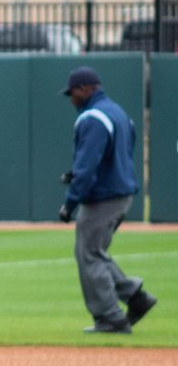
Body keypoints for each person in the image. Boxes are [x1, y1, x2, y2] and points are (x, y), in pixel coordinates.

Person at [59, 66, 157, 333]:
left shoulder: (92, 117)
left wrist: (70, 203)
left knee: (88, 254)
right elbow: (119, 153)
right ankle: (136, 297)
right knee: (93, 252)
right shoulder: (117, 112)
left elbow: (88, 166)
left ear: (85, 89)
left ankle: (111, 317)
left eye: (73, 92)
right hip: (120, 191)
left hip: (104, 197)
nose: (71, 99)